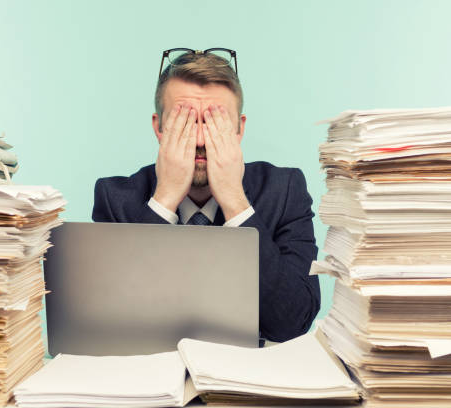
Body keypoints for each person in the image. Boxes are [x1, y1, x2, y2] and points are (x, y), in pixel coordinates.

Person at [92, 48, 320, 343]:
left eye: (215, 123)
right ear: (159, 127)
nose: (200, 140)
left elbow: (292, 323)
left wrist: (236, 202)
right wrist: (164, 198)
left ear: (239, 129)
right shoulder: (114, 198)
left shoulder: (285, 189)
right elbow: (112, 324)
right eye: (184, 122)